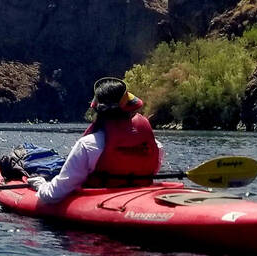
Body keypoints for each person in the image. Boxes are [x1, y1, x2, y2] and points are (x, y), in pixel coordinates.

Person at [27, 77, 163, 203]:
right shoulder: (155, 145)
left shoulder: (88, 145)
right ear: (129, 107)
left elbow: (54, 194)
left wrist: (41, 185)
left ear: (97, 109)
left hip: (103, 202)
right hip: (139, 198)